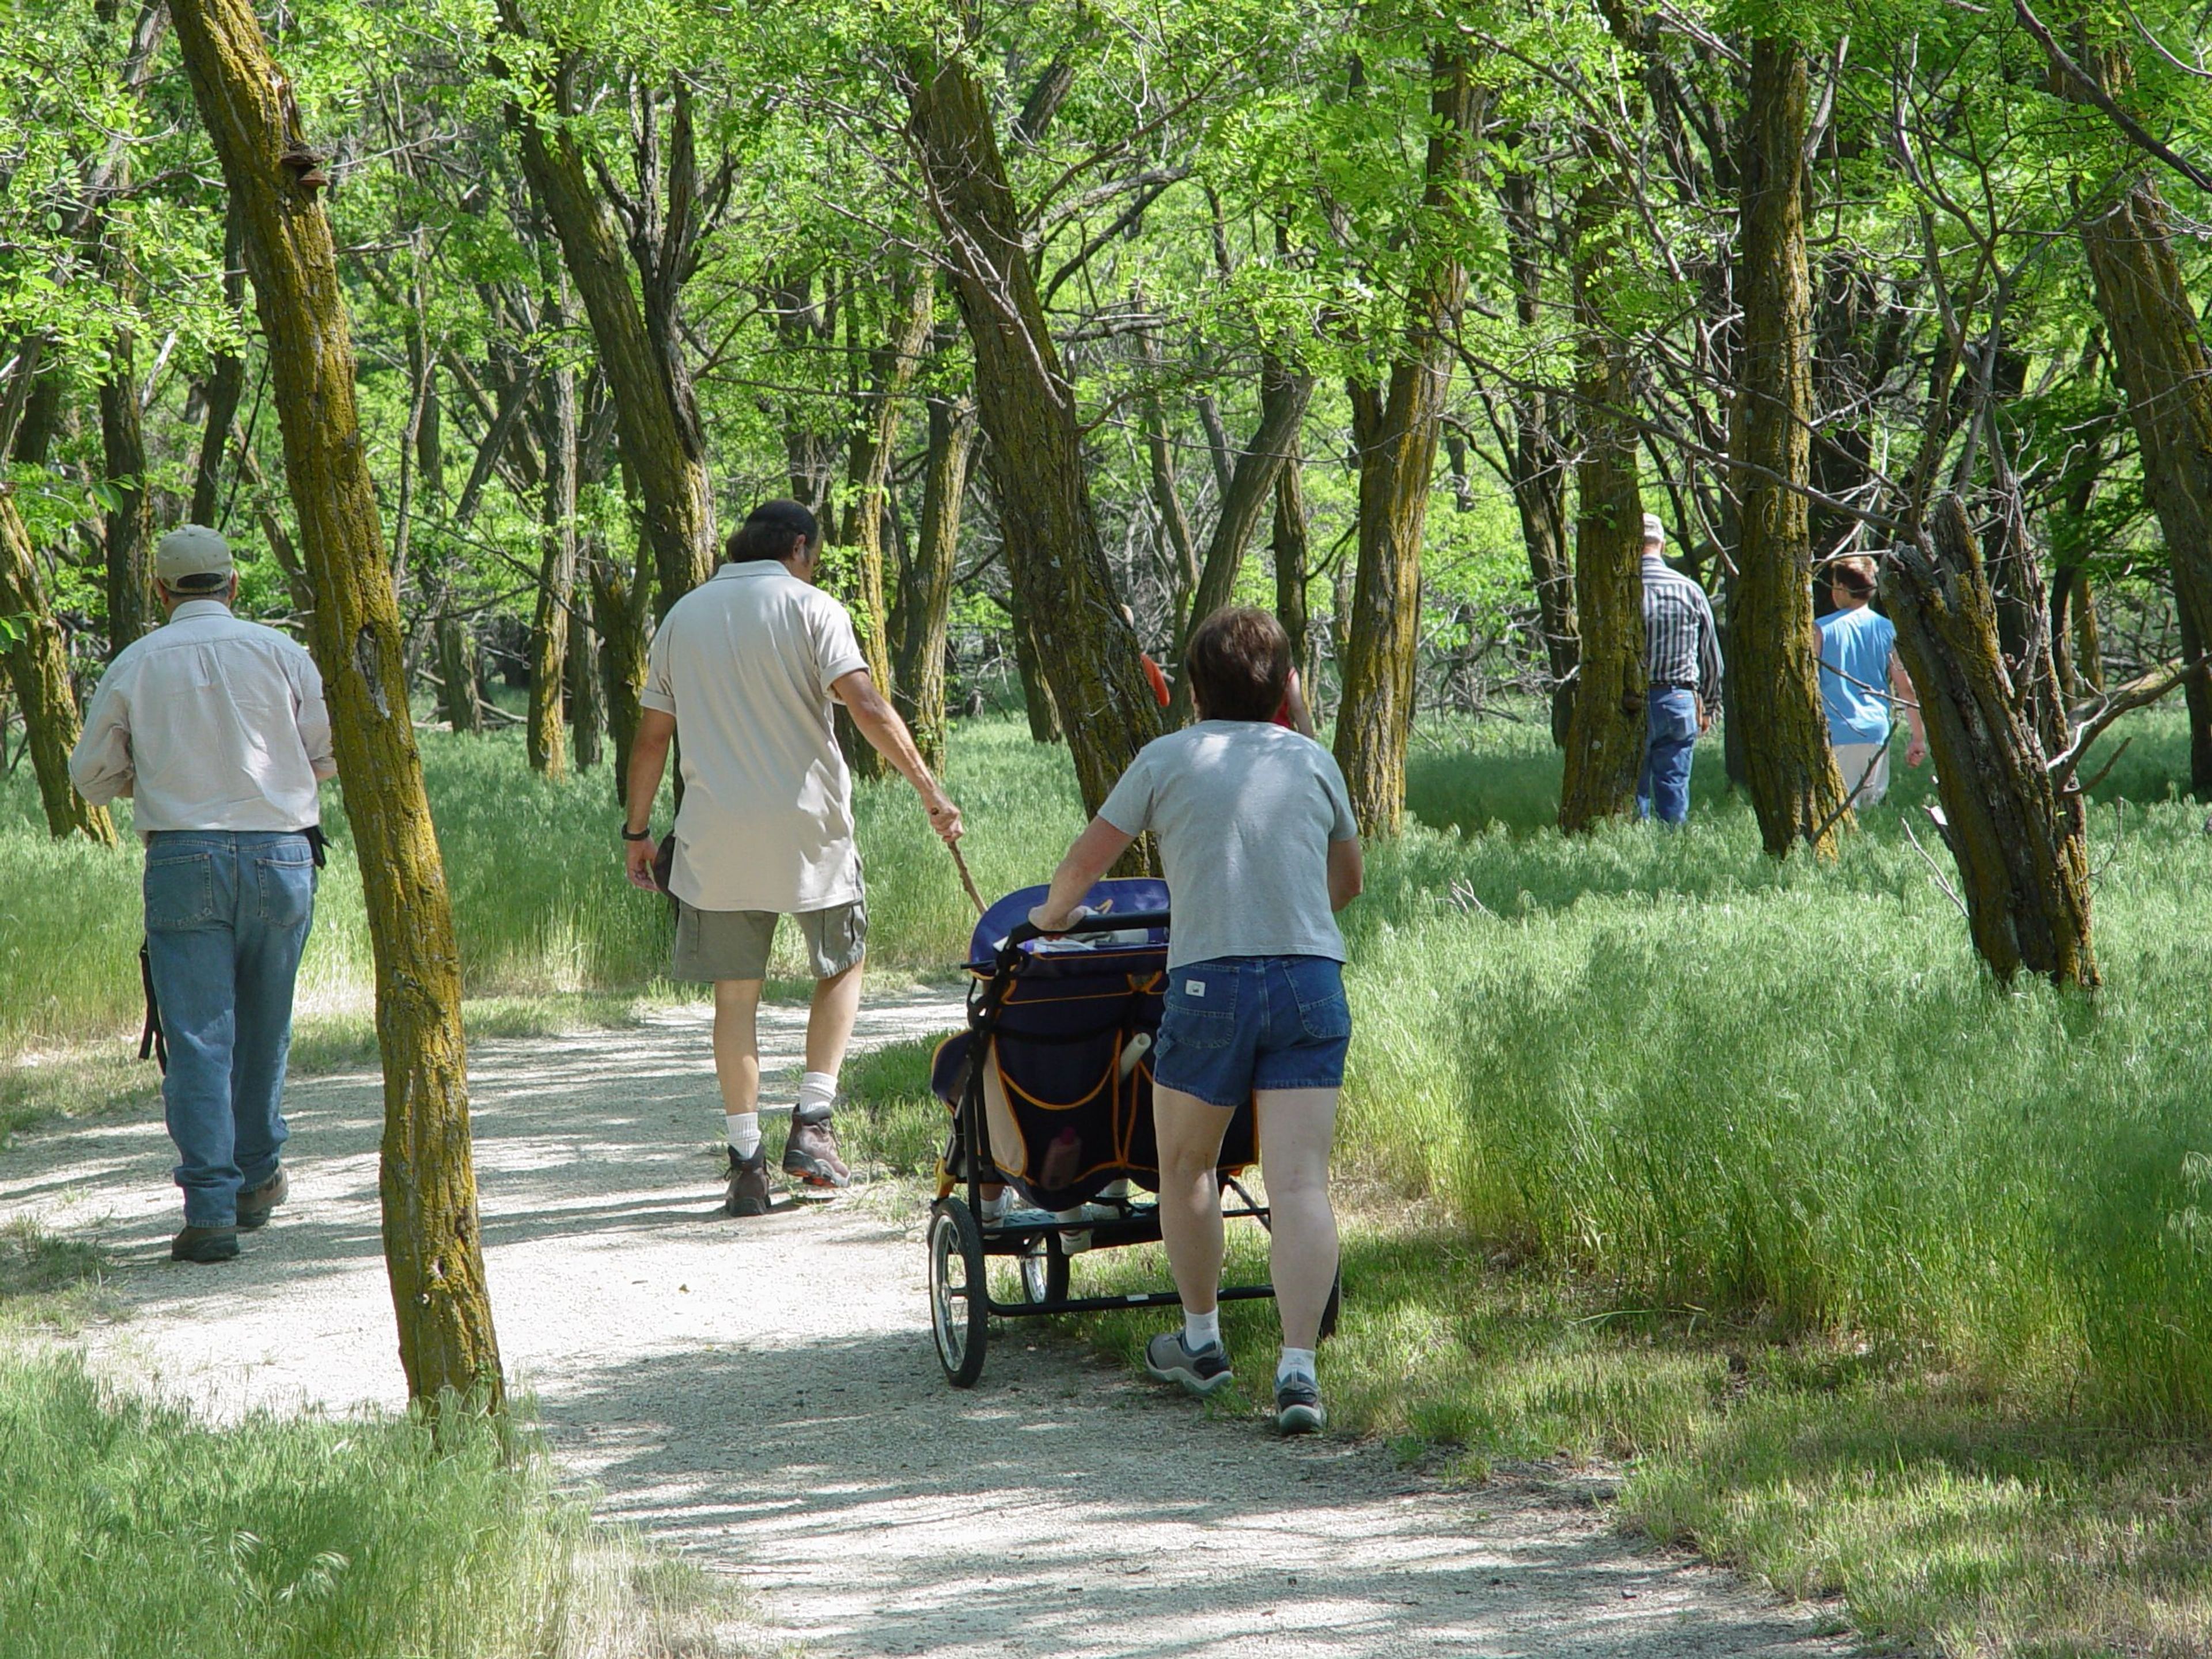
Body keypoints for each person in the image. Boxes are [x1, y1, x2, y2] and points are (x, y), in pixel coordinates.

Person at [1028, 607, 1362, 1435]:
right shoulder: (1315, 762)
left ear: (1192, 691)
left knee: (1186, 1167)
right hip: (1312, 980)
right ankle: (1298, 1372)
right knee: (1299, 1183)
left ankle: (1203, 1341)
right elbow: (1348, 881)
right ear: (1288, 685)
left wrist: (1055, 917)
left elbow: (1083, 864)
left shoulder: (1167, 758)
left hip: (1212, 984)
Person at [624, 499, 962, 1217]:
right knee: (842, 964)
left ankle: (746, 1163)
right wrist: (929, 790)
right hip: (810, 828)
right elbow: (866, 705)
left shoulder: (682, 617)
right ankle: (813, 1125)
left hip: (715, 831)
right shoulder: (812, 608)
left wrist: (638, 831)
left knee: (735, 996)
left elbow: (653, 738)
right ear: (800, 547)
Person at [69, 527, 336, 1264]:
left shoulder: (135, 663)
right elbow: (329, 753)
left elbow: (90, 777)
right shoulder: (283, 653)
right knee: (265, 1026)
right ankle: (256, 1180)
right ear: (233, 583)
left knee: (196, 1039)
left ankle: (210, 1209)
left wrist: (154, 780)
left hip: (184, 857)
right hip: (282, 853)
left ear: (159, 590)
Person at [1816, 554, 1926, 805]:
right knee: (1870, 807)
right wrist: (1918, 737)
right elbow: (1905, 688)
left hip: (1836, 730)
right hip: (1876, 730)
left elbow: (1809, 683)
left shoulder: (1821, 629)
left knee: (1838, 808)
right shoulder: (1888, 629)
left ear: (1842, 589)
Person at [1638, 513, 1722, 825]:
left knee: (1634, 791)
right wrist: (1710, 705)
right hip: (1680, 700)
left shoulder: (1623, 592)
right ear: (1661, 544)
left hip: (1632, 703)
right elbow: (1712, 658)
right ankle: (1673, 854)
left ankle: (1634, 855)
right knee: (1673, 787)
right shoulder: (1690, 590)